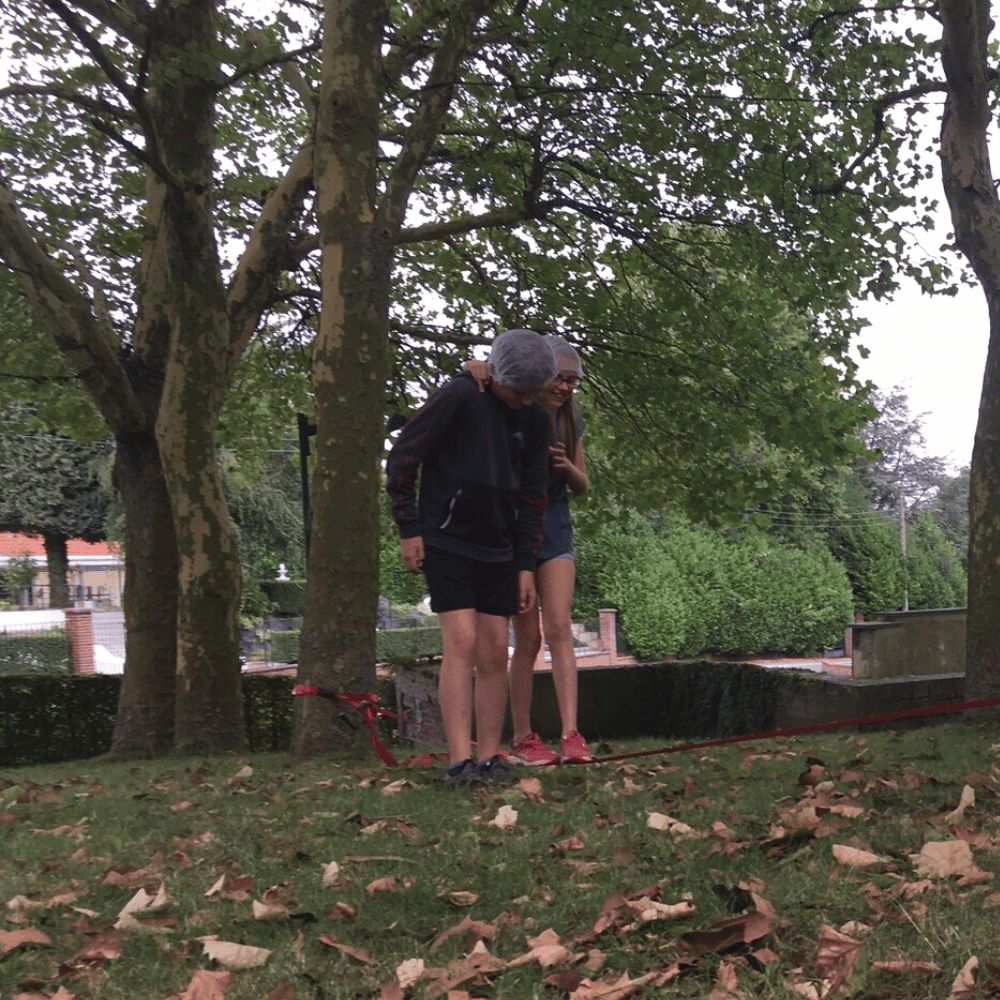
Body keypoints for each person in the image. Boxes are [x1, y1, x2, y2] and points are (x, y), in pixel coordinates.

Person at [386, 329, 556, 790]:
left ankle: (487, 760)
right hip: (446, 541)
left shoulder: (535, 419)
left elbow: (533, 496)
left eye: (532, 393)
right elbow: (403, 459)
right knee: (461, 643)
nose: (524, 400)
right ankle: (458, 763)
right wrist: (408, 527)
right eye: (518, 391)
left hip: (500, 551)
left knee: (494, 652)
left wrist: (525, 563)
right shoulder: (461, 395)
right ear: (497, 373)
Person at [467, 335, 592, 766]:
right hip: (514, 528)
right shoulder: (513, 407)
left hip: (555, 526)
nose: (564, 387)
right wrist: (475, 367)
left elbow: (582, 484)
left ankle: (572, 734)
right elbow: (483, 376)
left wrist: (566, 466)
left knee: (559, 626)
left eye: (572, 380)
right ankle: (523, 736)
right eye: (558, 378)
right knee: (529, 637)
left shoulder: (571, 419)